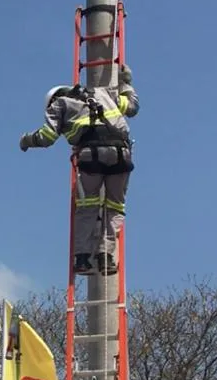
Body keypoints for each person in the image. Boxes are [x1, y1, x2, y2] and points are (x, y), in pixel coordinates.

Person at [19, 64, 139, 277]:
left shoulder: (60, 104)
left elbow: (47, 137)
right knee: (114, 207)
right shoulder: (103, 94)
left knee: (87, 207)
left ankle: (83, 259)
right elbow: (132, 107)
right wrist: (126, 82)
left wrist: (27, 140)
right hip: (121, 155)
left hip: (90, 156)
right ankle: (106, 257)